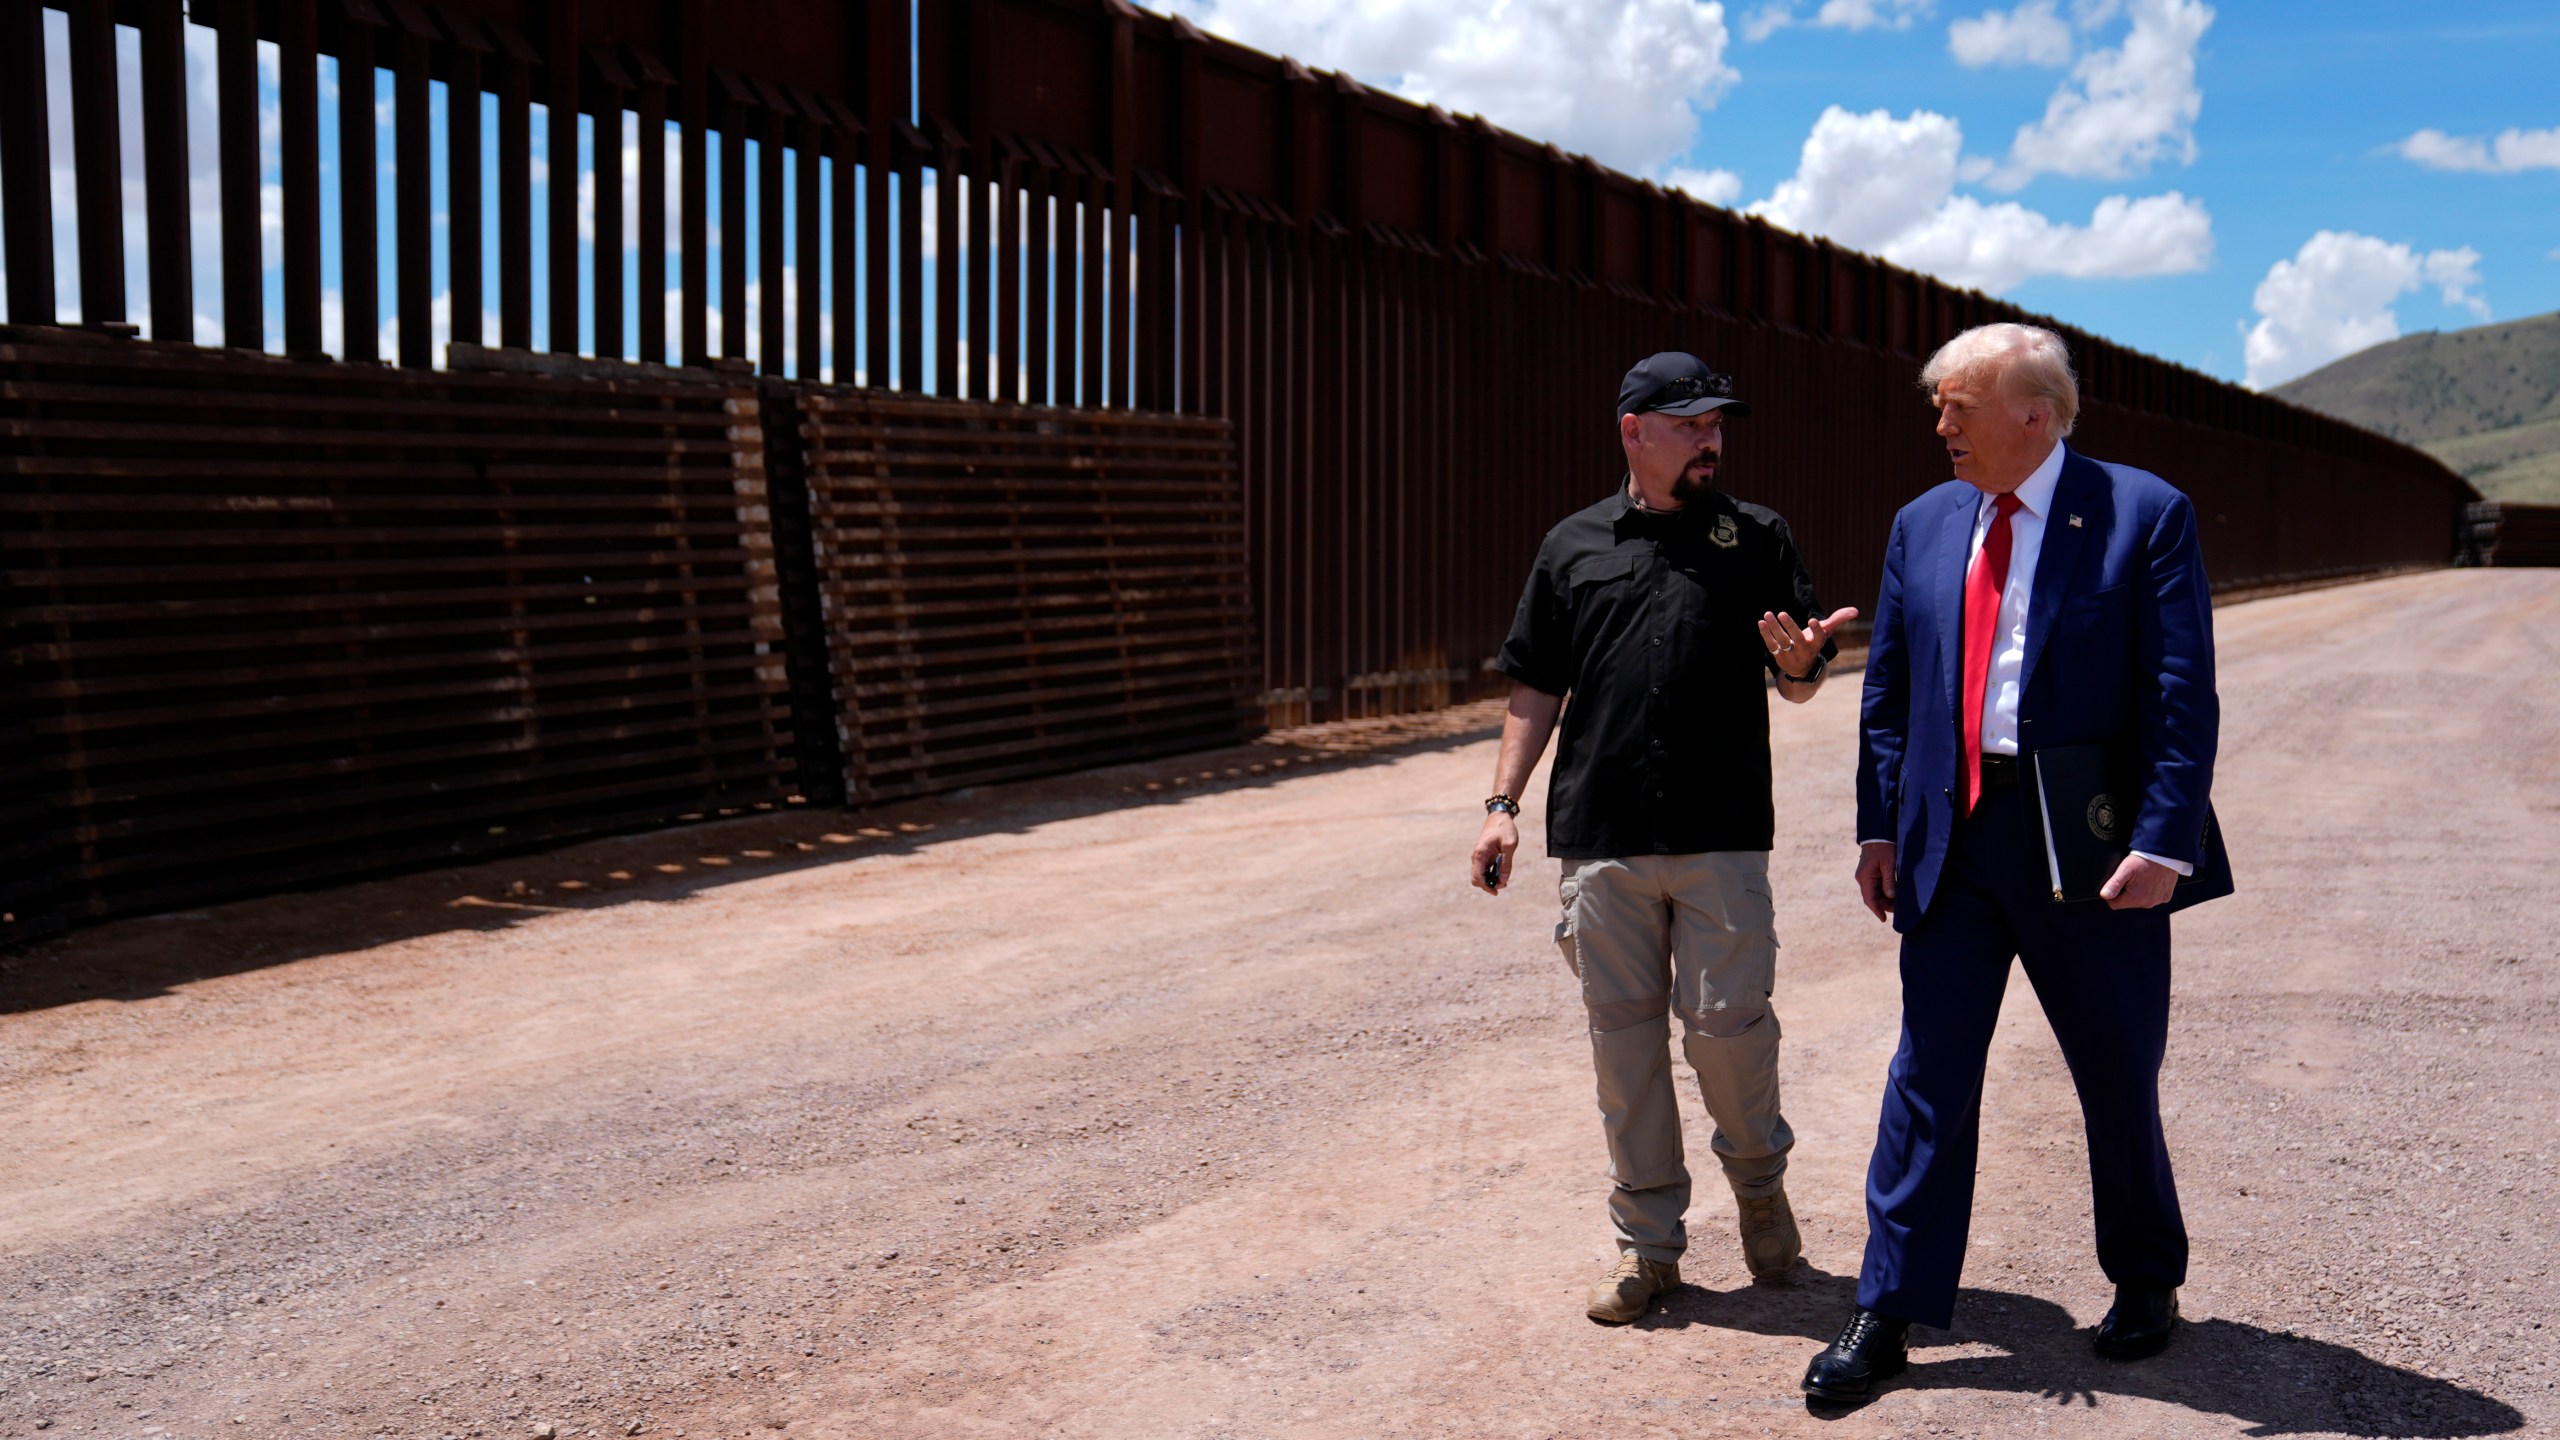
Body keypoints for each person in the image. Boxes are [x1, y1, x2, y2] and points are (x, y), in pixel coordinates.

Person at [1803, 323, 2225, 1403]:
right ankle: (1887, 1309)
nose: (1938, 424)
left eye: (1957, 405)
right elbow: (1887, 691)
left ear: (2031, 415)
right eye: (1936, 405)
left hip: (2084, 840)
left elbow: (2179, 696)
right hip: (1954, 837)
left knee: (2114, 1072)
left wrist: (2163, 838)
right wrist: (1878, 828)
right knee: (1926, 1078)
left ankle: (2144, 1280)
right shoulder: (1923, 522)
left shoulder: (2143, 513)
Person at [1472, 351, 1858, 1324]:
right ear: (1633, 429)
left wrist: (1804, 667)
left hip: (1721, 831)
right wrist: (1502, 806)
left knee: (1730, 1030)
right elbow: (1535, 684)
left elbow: (1798, 679)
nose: (1710, 440)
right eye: (1689, 424)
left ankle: (1759, 1187)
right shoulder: (1571, 548)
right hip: (1600, 838)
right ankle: (1647, 1248)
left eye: (1717, 424)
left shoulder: (1756, 538)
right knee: (1625, 1051)